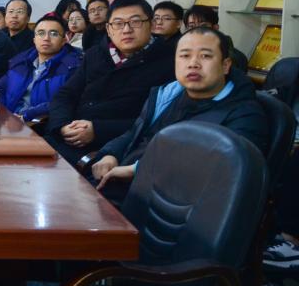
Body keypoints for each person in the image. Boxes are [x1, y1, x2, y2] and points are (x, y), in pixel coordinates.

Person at [90, 27, 267, 204]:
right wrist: (111, 154)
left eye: (205, 56)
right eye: (185, 56)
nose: (193, 63)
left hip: (164, 205)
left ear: (225, 65)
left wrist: (137, 169)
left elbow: (222, 172)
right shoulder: (167, 95)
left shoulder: (245, 115)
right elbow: (135, 133)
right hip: (121, 186)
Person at [46, 0, 175, 165]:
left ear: (151, 24)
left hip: (112, 152)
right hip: (66, 138)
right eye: (118, 23)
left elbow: (157, 120)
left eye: (135, 22)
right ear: (108, 29)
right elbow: (65, 94)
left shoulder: (169, 62)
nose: (126, 30)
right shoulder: (94, 55)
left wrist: (98, 131)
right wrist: (62, 126)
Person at [0, 14, 82, 122]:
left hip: (41, 124)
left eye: (54, 34)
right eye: (41, 33)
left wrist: (27, 115)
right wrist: (3, 113)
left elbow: (65, 101)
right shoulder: (21, 61)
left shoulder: (73, 67)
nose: (46, 38)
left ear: (64, 40)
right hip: (9, 121)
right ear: (34, 39)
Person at [184, 4, 249, 72]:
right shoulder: (183, 52)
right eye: (191, 26)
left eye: (203, 26)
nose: (197, 30)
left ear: (215, 28)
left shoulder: (235, 57)